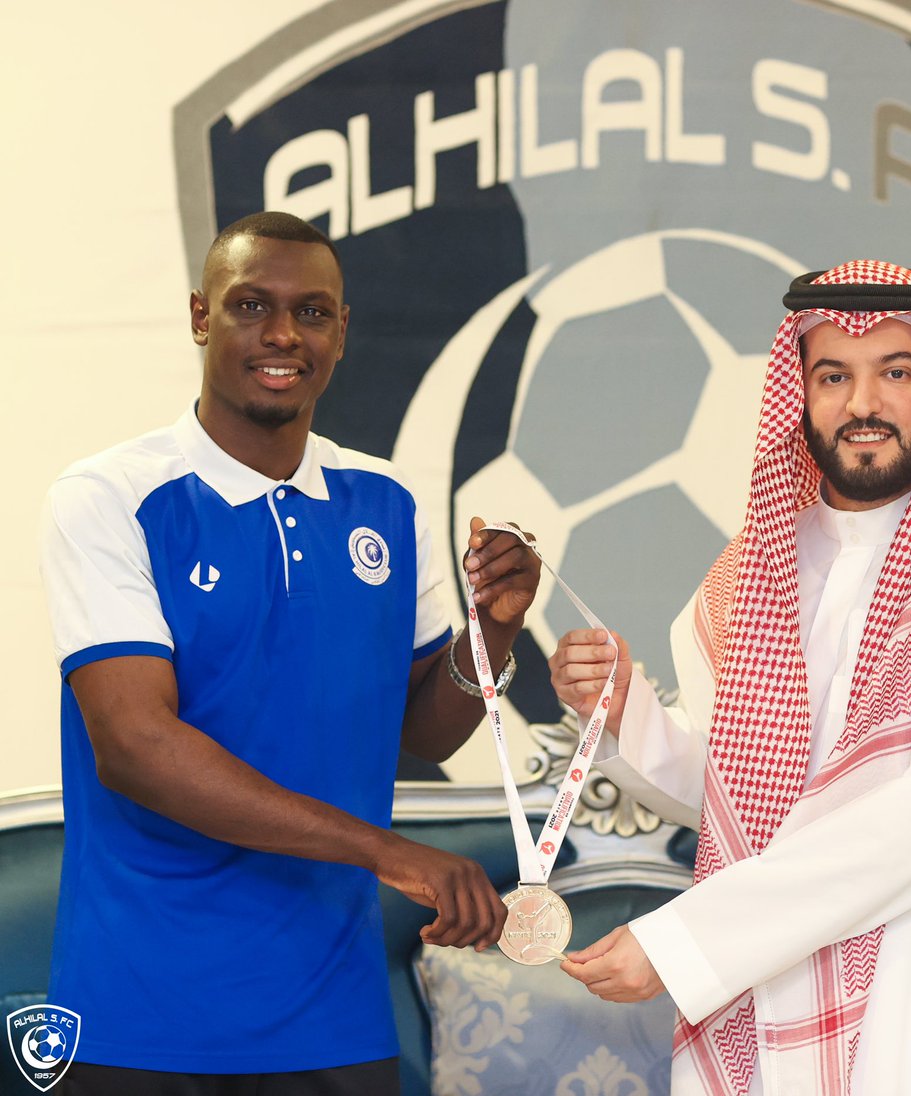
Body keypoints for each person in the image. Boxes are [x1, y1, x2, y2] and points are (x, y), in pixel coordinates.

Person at [548, 260, 911, 1096]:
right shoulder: (752, 575)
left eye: (895, 372)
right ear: (800, 393)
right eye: (833, 376)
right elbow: (745, 796)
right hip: (777, 997)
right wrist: (621, 715)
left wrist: (686, 945)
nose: (863, 404)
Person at [38, 211, 540, 1095]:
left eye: (311, 312)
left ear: (341, 332)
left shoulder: (387, 500)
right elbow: (135, 747)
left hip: (334, 1018)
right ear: (201, 317)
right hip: (141, 1015)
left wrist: (492, 629)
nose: (281, 334)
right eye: (250, 306)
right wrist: (390, 854)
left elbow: (426, 730)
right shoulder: (109, 495)